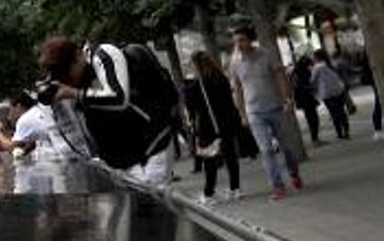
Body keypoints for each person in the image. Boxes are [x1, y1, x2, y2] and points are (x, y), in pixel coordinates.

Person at [38, 36, 179, 185]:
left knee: (154, 203)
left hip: (150, 148)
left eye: (66, 73)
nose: (66, 79)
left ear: (78, 55)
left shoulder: (104, 54)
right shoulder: (78, 82)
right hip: (122, 159)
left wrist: (74, 93)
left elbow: (119, 98)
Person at [229, 24, 303, 200]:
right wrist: (242, 114)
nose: (238, 44)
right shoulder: (235, 63)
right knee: (266, 150)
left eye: (242, 40)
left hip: (276, 107)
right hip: (254, 112)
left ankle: (294, 173)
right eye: (236, 42)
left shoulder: (266, 55)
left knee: (287, 148)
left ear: (250, 40)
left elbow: (280, 76)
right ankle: (277, 186)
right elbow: (237, 89)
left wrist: (287, 99)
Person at [183, 51, 243, 205]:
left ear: (195, 65)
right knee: (230, 156)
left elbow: (192, 107)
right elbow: (229, 99)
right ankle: (235, 189)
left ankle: (209, 194)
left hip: (209, 126)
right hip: (227, 122)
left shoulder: (196, 85)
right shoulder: (220, 78)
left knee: (209, 161)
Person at [311, 49, 350, 140]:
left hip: (326, 93)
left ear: (317, 57)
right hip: (338, 90)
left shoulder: (317, 67)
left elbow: (312, 80)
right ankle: (346, 130)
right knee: (341, 111)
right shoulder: (333, 63)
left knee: (333, 113)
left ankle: (339, 133)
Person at [290, 55, 321, 144]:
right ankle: (315, 138)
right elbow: (304, 85)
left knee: (311, 118)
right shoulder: (303, 72)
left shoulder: (295, 72)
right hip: (306, 97)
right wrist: (311, 88)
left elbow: (294, 85)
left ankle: (315, 138)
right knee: (313, 118)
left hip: (301, 98)